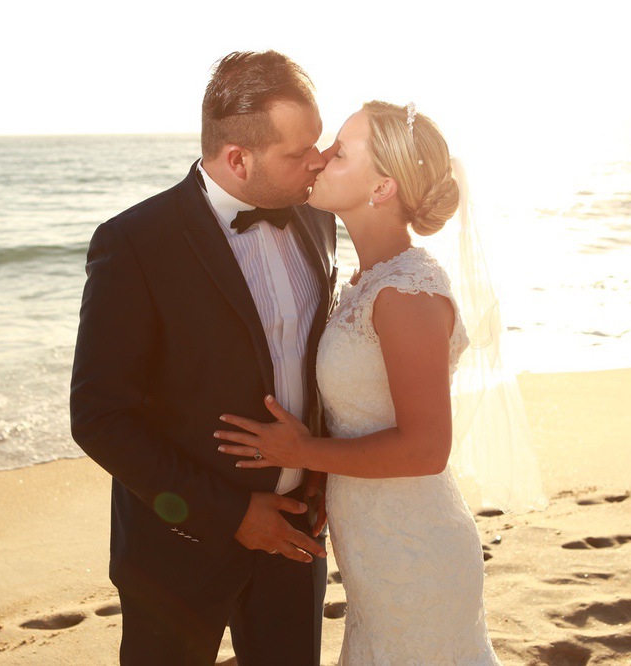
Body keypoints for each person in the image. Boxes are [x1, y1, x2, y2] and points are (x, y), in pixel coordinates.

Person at [216, 101, 545, 663]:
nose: (319, 159)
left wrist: (304, 452)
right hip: (375, 553)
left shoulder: (405, 296)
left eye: (340, 152)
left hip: (415, 553)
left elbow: (425, 448)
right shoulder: (369, 279)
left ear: (383, 187)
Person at [70, 51, 338, 665]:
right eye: (299, 152)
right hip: (177, 550)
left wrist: (322, 470)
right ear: (237, 158)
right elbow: (99, 417)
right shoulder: (133, 243)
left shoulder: (318, 220)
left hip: (296, 541)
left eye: (317, 145)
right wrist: (233, 514)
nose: (318, 161)